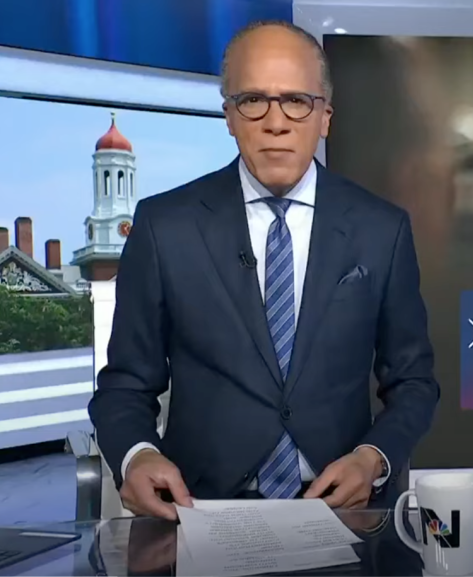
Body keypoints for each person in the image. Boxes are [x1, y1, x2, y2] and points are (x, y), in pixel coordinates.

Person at [88, 20, 440, 520]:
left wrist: (372, 459)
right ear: (228, 115)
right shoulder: (165, 226)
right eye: (254, 100)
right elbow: (125, 384)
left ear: (325, 118)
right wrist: (137, 456)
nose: (276, 122)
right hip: (199, 508)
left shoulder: (382, 230)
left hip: (341, 511)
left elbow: (414, 382)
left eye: (297, 100)